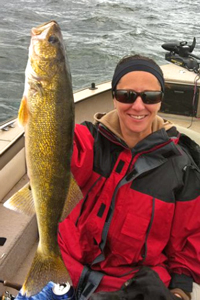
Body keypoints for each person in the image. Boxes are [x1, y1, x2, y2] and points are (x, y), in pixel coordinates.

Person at [57, 54, 200, 300]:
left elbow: (188, 244)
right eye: (127, 95)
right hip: (62, 269)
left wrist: (178, 294)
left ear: (160, 101)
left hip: (128, 289)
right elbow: (50, 141)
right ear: (113, 97)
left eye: (150, 97)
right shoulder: (84, 141)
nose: (138, 106)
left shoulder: (183, 168)